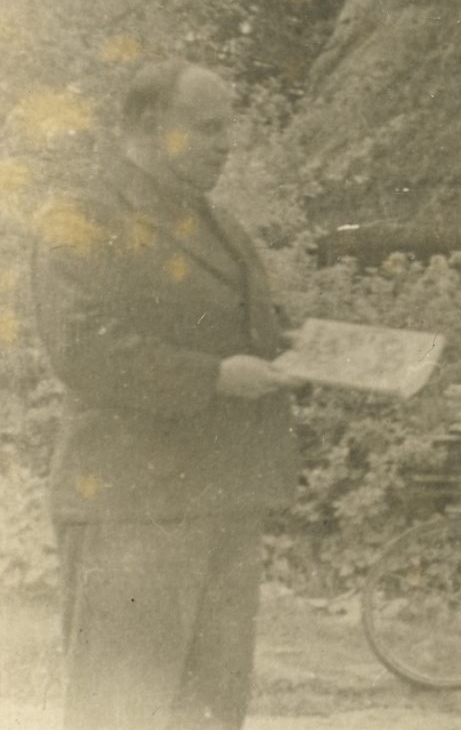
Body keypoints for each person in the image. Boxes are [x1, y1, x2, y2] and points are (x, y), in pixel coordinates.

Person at [32, 60, 303, 730]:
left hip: (224, 498)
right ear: (151, 126)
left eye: (228, 127)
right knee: (123, 712)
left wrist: (311, 353)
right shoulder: (81, 216)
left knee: (209, 716)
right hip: (133, 506)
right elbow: (84, 348)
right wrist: (213, 378)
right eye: (208, 127)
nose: (226, 143)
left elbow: (250, 330)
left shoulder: (220, 225)